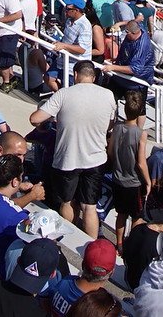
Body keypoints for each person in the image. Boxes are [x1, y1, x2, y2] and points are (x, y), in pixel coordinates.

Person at [28, 60, 117, 239]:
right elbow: (111, 124)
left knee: (67, 202)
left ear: (75, 75)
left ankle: (67, 241)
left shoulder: (64, 94)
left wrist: (48, 125)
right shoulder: (108, 95)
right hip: (95, 159)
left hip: (68, 159)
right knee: (89, 207)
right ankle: (91, 245)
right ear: (94, 76)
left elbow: (35, 118)